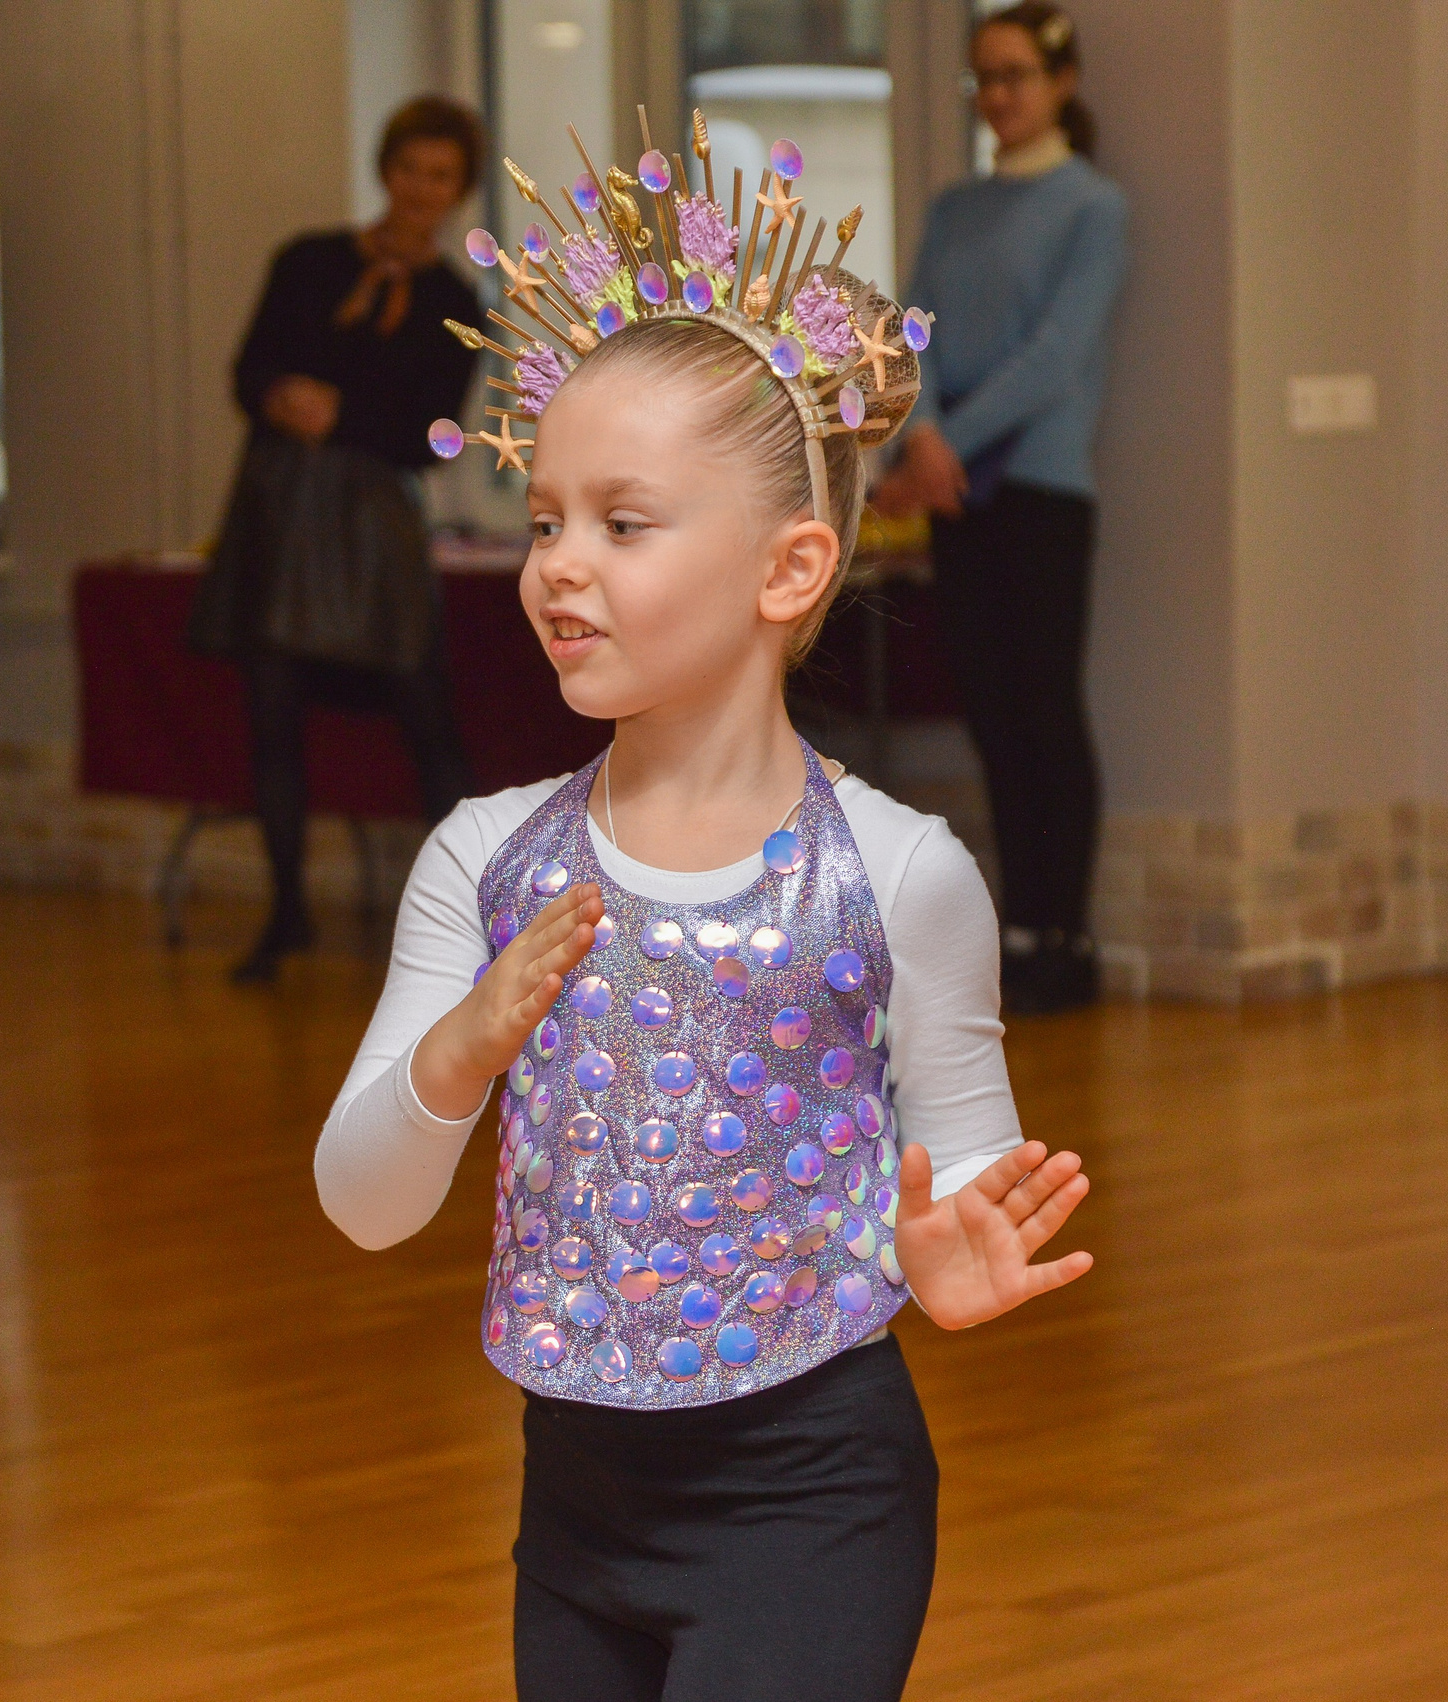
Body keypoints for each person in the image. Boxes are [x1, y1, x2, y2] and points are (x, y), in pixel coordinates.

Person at [315, 124, 1092, 1700]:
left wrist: (943, 1242)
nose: (558, 567)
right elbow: (363, 1204)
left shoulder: (899, 872)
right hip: (573, 1505)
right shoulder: (484, 858)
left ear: (790, 567)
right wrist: (461, 1050)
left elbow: (964, 1154)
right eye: (543, 519)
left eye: (623, 523)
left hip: (814, 1501)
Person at [876, 1, 1127, 1016]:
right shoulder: (954, 208)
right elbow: (911, 336)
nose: (998, 95)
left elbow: (1056, 357)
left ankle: (1064, 930)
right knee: (990, 715)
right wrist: (921, 433)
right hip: (956, 496)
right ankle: (1018, 930)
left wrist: (949, 443)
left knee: (1044, 709)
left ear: (1061, 83)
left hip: (1039, 490)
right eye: (984, 77)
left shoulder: (1093, 208)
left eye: (1016, 74)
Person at [198, 96, 484, 984]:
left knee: (425, 714)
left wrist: (342, 416)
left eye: (440, 177)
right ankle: (286, 909)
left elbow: (432, 435)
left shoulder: (455, 301)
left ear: (460, 191)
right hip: (281, 511)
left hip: (375, 523)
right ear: (385, 171)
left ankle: (468, 925)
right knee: (272, 711)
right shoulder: (310, 260)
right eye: (410, 170)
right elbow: (247, 370)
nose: (421, 190)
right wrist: (279, 396)